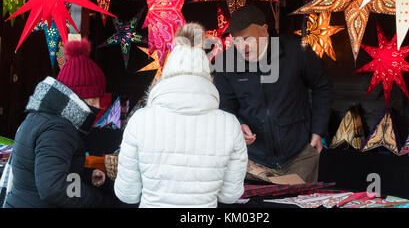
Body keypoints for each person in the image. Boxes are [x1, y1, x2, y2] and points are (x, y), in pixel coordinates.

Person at [114, 23, 248, 208]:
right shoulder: (229, 124)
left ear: (168, 70)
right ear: (206, 73)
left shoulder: (140, 121)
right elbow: (230, 195)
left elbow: (127, 194)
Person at [214, 4, 332, 183]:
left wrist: (318, 131)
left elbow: (322, 85)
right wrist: (237, 124)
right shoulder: (225, 63)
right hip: (253, 162)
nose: (241, 46)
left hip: (300, 156)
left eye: (247, 39)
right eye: (236, 41)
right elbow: (224, 106)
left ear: (264, 31)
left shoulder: (296, 51)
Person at [3, 39, 109, 208]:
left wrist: (86, 176)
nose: (98, 106)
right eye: (94, 99)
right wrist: (95, 199)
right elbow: (53, 187)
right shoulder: (59, 129)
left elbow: (52, 172)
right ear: (80, 98)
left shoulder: (43, 117)